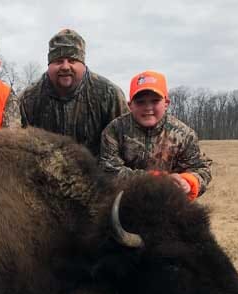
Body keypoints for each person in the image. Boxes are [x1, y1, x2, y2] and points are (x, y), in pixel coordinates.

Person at [99, 70, 212, 200]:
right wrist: (157, 180)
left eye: (155, 101)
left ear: (166, 103)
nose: (148, 107)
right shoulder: (114, 130)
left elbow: (201, 168)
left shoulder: (184, 134)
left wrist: (188, 182)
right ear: (130, 105)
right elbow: (109, 172)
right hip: (126, 203)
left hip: (170, 203)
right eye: (140, 102)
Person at [19, 29, 128, 156]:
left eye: (72, 60)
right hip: (42, 171)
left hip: (97, 172)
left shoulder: (109, 94)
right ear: (49, 65)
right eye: (58, 61)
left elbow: (125, 141)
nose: (65, 67)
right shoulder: (28, 98)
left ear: (83, 64)